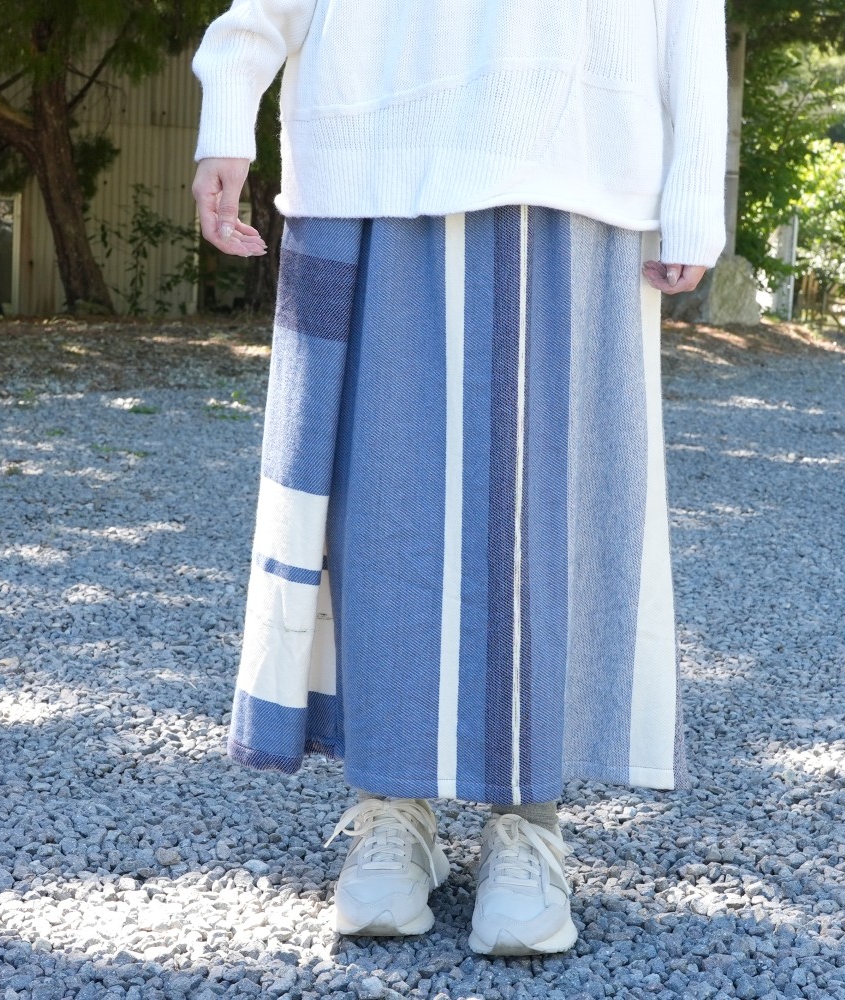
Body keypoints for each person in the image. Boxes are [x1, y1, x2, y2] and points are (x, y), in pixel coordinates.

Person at [191, 0, 726, 956]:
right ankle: (392, 804)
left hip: (577, 153)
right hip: (371, 146)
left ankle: (528, 821)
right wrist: (228, 104)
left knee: (545, 518)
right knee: (379, 517)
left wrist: (693, 189)